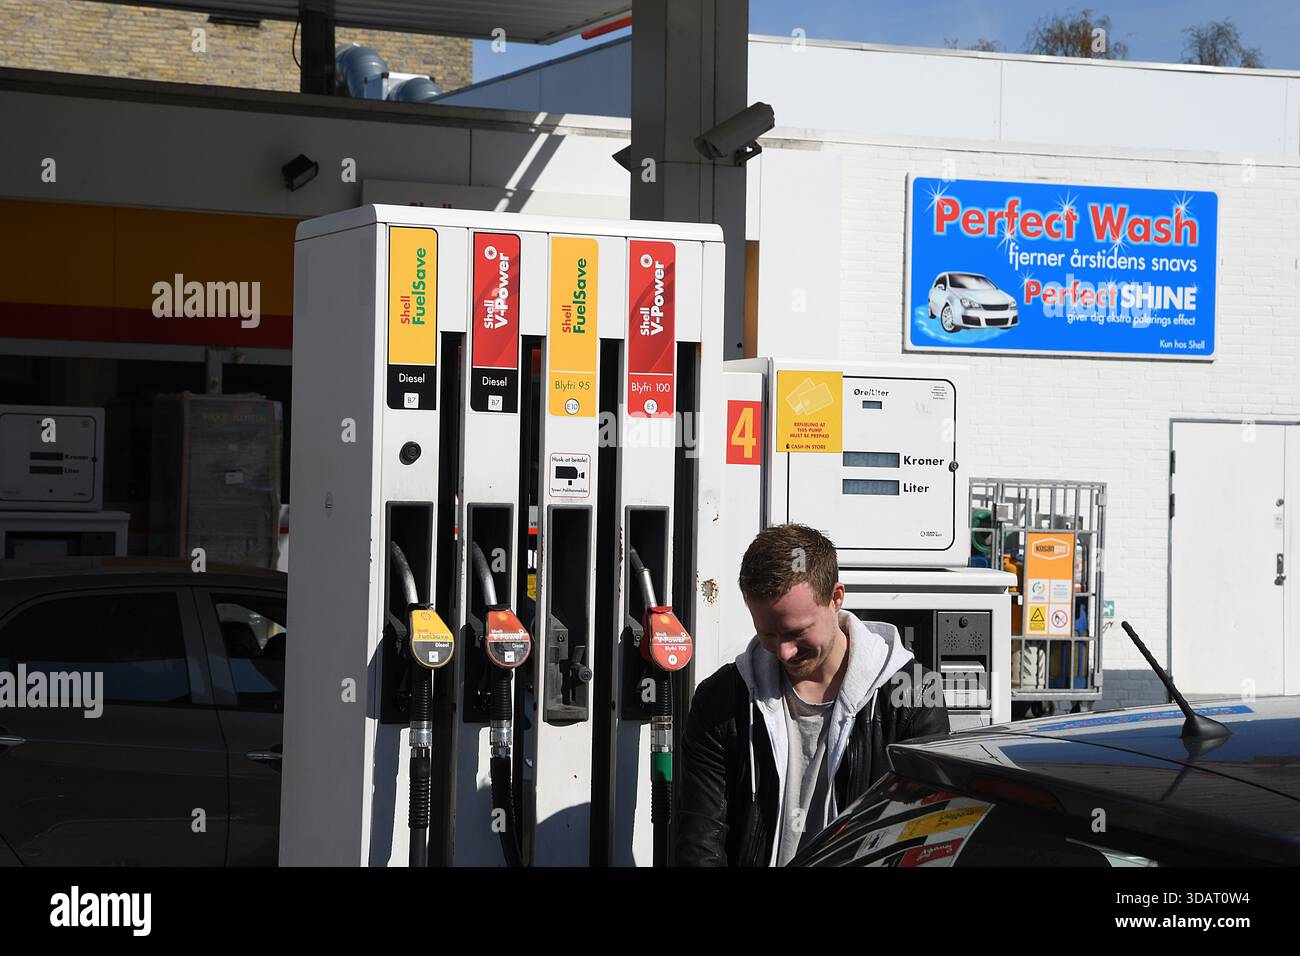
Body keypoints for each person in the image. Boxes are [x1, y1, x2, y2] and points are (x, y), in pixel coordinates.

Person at [675, 523, 950, 866]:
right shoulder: (721, 701)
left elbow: (924, 840)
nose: (785, 652)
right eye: (768, 635)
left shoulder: (913, 697)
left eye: (797, 633)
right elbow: (700, 842)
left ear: (836, 598)